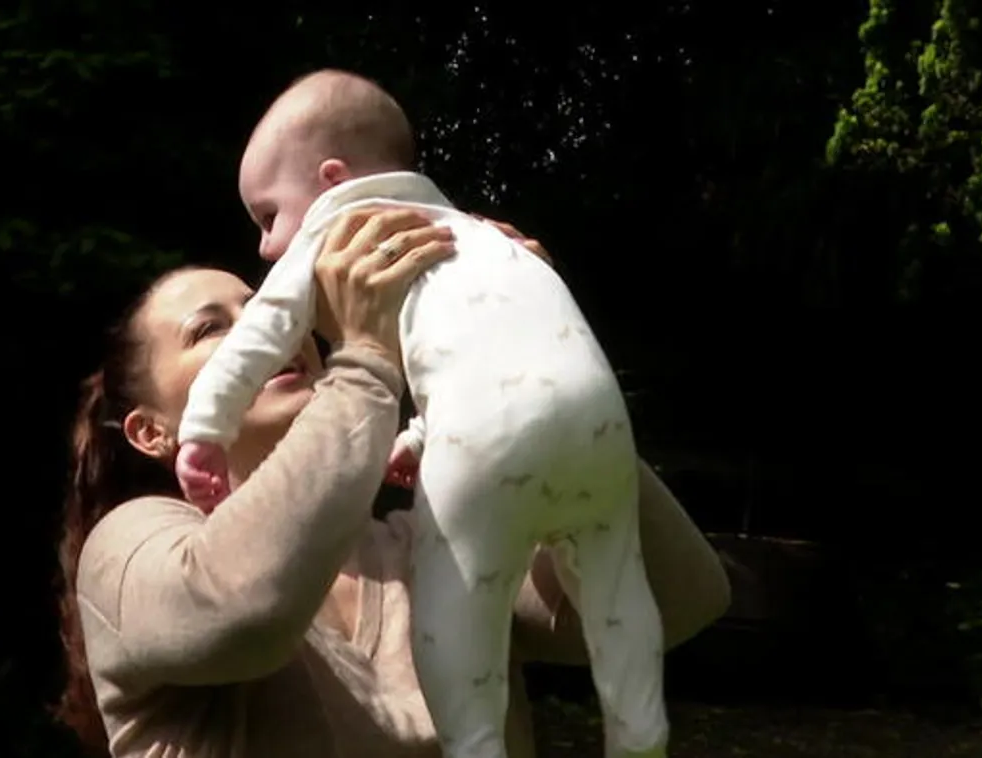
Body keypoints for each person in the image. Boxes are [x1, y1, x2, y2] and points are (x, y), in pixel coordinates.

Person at [54, 204, 731, 757]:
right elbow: (244, 612)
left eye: (261, 306)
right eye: (209, 328)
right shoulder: (128, 549)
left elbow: (682, 598)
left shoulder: (431, 546)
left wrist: (542, 366)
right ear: (150, 432)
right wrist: (368, 357)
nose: (263, 329)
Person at [175, 70, 665, 757]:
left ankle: (474, 744)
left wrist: (204, 428)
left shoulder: (338, 224)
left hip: (484, 447)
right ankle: (641, 736)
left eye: (267, 216)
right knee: (616, 588)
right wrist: (419, 434)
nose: (264, 246)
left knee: (455, 617)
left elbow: (263, 333)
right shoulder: (482, 235)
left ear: (331, 179)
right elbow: (489, 366)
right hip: (599, 423)